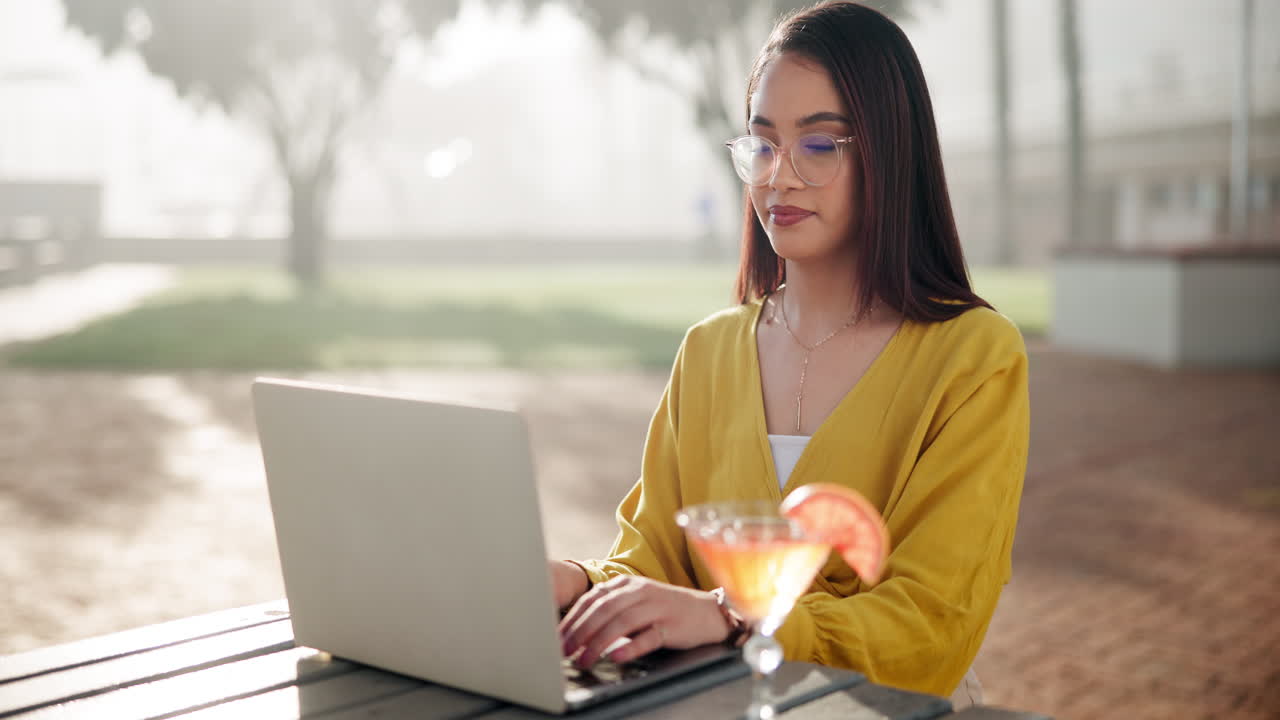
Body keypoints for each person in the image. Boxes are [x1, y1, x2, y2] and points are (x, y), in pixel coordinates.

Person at [551, 1, 1029, 706]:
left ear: (889, 153)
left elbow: (933, 622)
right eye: (763, 142)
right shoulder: (709, 351)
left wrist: (730, 614)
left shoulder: (973, 359)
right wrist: (577, 584)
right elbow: (649, 558)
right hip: (712, 704)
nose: (778, 176)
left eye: (819, 145)